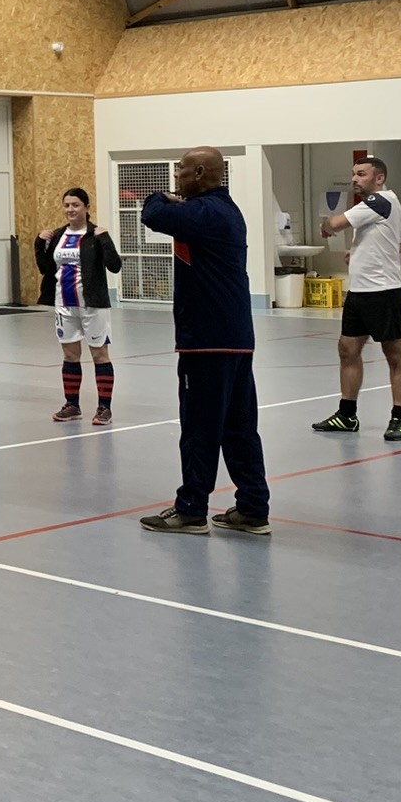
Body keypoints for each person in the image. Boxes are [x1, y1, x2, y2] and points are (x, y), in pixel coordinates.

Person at [136, 147, 269, 536]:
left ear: (198, 172)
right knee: (239, 426)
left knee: (199, 427)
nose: (175, 176)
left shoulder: (205, 213)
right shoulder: (222, 210)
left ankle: (192, 508)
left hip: (208, 340)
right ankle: (252, 507)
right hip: (234, 338)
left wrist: (162, 198)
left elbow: (153, 213)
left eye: (179, 169)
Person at [312, 156, 401, 441]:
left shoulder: (379, 202)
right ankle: (347, 415)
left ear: (379, 178)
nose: (355, 179)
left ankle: (399, 419)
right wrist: (362, 252)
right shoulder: (385, 206)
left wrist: (326, 224)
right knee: (347, 350)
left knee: (394, 355)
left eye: (361, 174)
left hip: (384, 292)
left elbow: (334, 223)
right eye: (354, 174)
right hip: (358, 292)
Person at [36, 188, 123, 426]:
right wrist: (39, 244)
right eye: (66, 205)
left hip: (93, 305)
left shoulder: (96, 234)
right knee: (70, 355)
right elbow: (45, 268)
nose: (70, 210)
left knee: (99, 354)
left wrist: (105, 240)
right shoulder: (58, 235)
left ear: (86, 207)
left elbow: (115, 266)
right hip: (64, 304)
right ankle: (72, 405)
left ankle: (104, 408)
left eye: (75, 205)